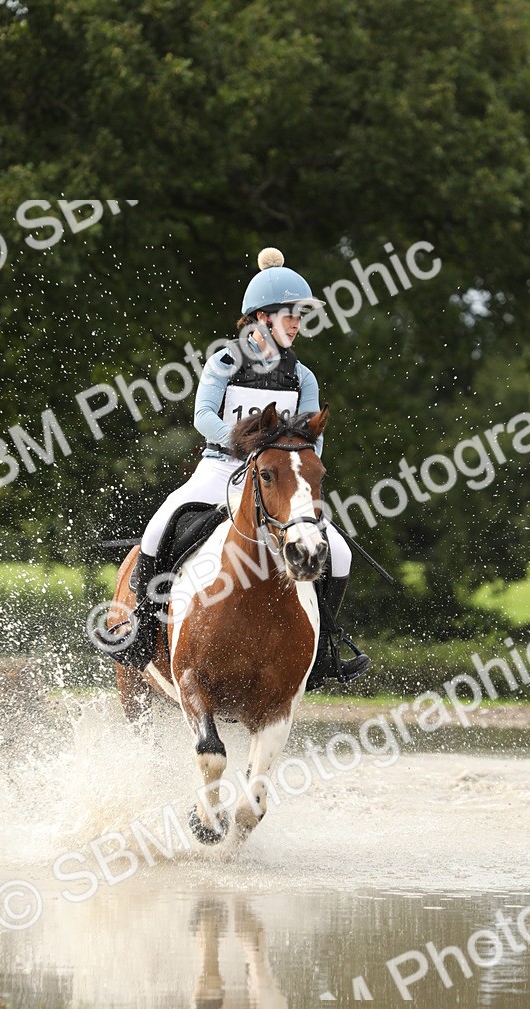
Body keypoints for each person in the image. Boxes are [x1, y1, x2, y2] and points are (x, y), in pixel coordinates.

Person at [105, 247, 370, 687]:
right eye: (291, 316)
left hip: (276, 480)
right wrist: (250, 448)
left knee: (337, 552)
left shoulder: (301, 376)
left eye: (300, 317)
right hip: (220, 468)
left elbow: (311, 438)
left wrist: (289, 468)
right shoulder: (226, 362)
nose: (298, 325)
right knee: (160, 527)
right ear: (263, 318)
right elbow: (202, 417)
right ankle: (143, 632)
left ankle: (324, 651)